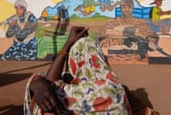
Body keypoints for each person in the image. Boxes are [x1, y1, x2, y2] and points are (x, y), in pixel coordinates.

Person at [24, 26, 159, 115]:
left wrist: (68, 44)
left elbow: (48, 81)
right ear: (100, 59)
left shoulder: (63, 93)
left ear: (74, 62)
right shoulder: (118, 90)